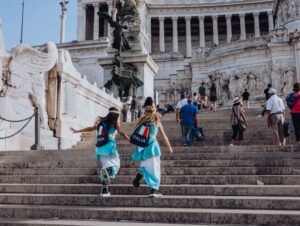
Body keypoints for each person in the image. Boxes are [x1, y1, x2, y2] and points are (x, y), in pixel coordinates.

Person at [70, 107, 130, 196]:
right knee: (116, 164)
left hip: (100, 147)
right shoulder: (115, 123)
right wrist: (129, 138)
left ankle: (104, 190)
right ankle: (109, 171)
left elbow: (90, 128)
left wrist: (77, 131)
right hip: (110, 147)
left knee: (105, 166)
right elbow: (121, 132)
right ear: (116, 115)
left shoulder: (101, 123)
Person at [131, 105, 173, 197]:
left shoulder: (142, 122)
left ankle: (138, 177)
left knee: (145, 164)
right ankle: (154, 191)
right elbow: (164, 136)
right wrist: (169, 147)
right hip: (152, 146)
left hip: (143, 147)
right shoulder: (157, 122)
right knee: (155, 168)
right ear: (155, 112)